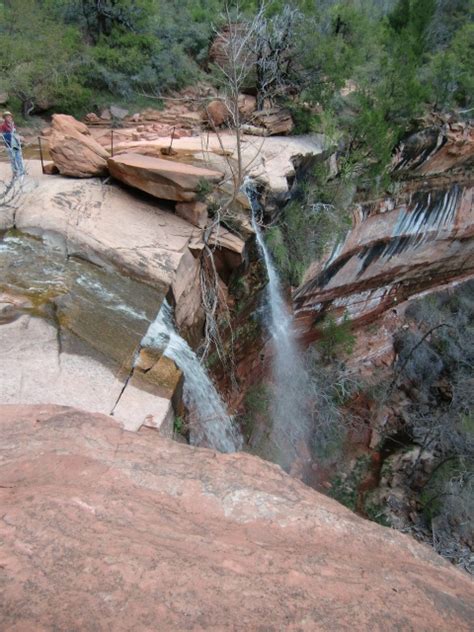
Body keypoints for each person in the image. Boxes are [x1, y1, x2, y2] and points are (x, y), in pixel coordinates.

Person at [1, 111, 25, 178]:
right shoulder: (3, 126)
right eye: (7, 117)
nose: (9, 118)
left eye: (9, 116)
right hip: (9, 145)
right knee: (13, 159)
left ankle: (21, 171)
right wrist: (16, 136)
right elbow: (3, 135)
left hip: (16, 145)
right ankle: (15, 172)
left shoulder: (12, 125)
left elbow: (15, 133)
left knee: (19, 158)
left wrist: (19, 138)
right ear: (5, 118)